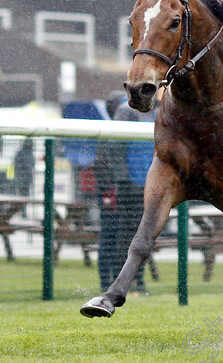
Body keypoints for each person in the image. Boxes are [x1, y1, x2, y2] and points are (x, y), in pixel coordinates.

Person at [95, 90, 153, 293]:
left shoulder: (129, 114)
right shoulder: (129, 113)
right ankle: (122, 283)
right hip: (129, 188)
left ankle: (118, 282)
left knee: (123, 237)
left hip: (130, 188)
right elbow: (108, 159)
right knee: (128, 237)